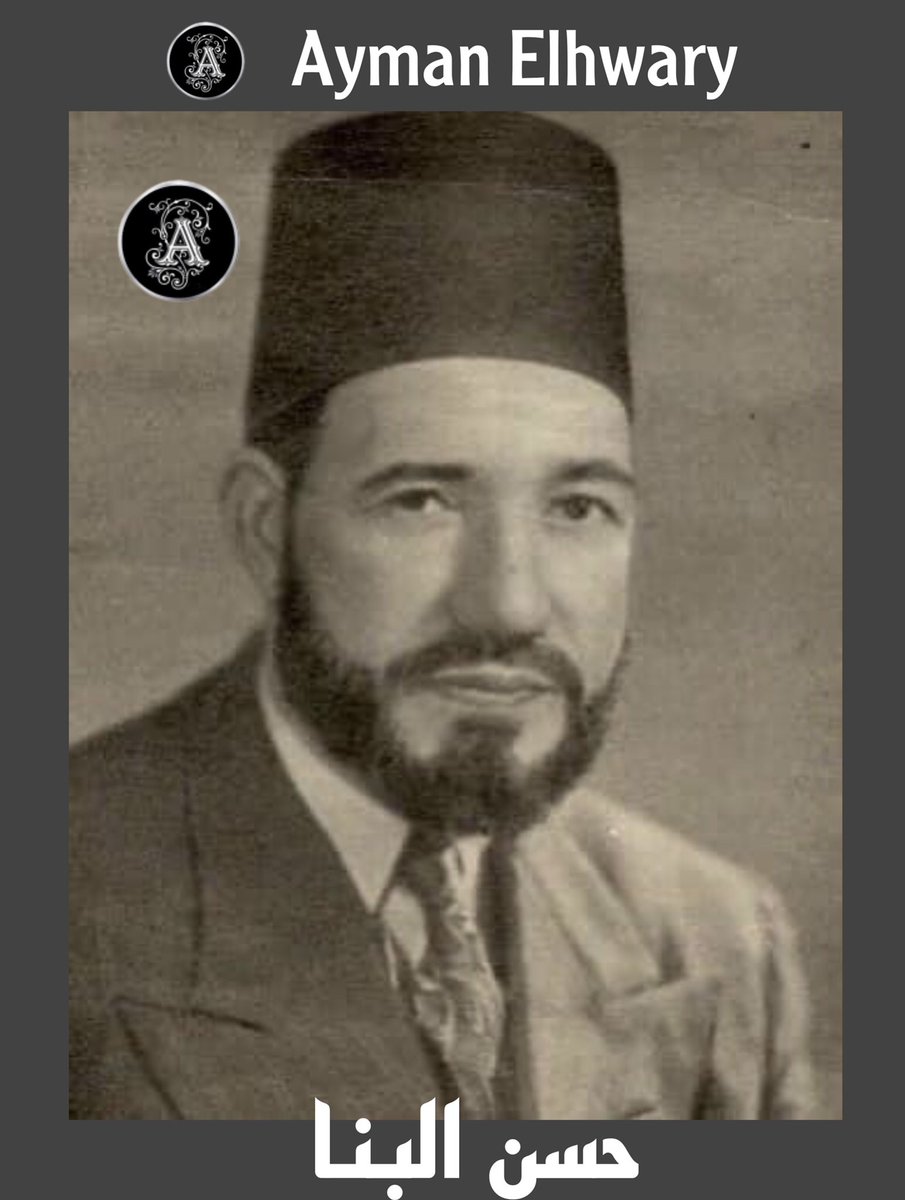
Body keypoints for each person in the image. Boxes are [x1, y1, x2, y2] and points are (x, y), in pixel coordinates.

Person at [69, 111, 816, 1120]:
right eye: (421, 501)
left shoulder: (712, 936)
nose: (509, 603)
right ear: (264, 525)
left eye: (577, 507)